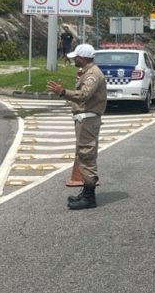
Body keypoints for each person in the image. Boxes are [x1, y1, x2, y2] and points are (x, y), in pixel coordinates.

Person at [46, 44, 106, 210]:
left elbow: (84, 95)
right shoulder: (86, 72)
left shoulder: (93, 74)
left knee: (87, 154)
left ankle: (89, 197)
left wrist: (63, 92)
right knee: (83, 153)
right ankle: (86, 191)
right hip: (84, 119)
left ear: (83, 58)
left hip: (88, 120)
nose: (74, 60)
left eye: (76, 58)